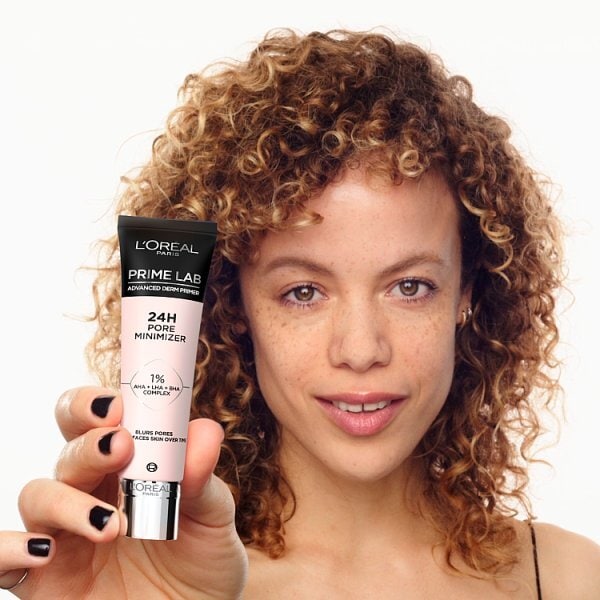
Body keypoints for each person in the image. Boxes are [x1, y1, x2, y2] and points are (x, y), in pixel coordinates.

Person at [1, 28, 599, 599]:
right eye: (304, 292)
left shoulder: (570, 580)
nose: (360, 350)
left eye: (410, 286)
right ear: (234, 304)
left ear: (467, 291)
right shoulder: (172, 583)